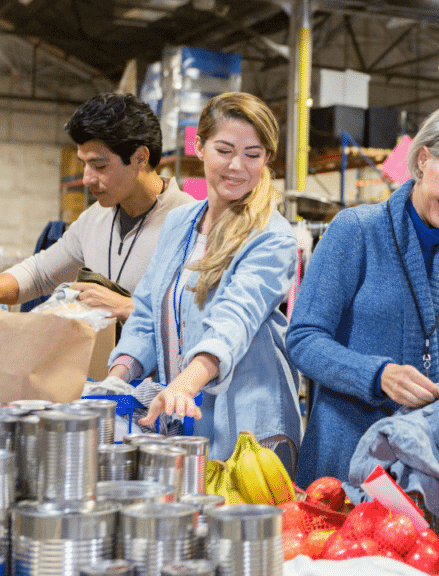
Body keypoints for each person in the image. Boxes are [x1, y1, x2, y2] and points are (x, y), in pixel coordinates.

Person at [287, 99, 439, 485]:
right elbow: (303, 339)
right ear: (423, 159)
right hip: (346, 457)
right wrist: (378, 375)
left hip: (431, 465)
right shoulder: (356, 231)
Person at [106, 92, 300, 460]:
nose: (237, 166)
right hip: (185, 412)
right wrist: (117, 378)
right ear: (199, 146)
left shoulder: (272, 237)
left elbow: (234, 321)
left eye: (252, 154)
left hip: (249, 429)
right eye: (224, 150)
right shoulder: (180, 222)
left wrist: (184, 384)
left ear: (267, 159)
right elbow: (148, 309)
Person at [0, 93, 193, 319]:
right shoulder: (94, 219)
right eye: (84, 164)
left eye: (99, 165)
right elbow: (39, 274)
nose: (87, 179)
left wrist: (128, 307)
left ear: (140, 158)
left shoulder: (192, 225)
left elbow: (201, 316)